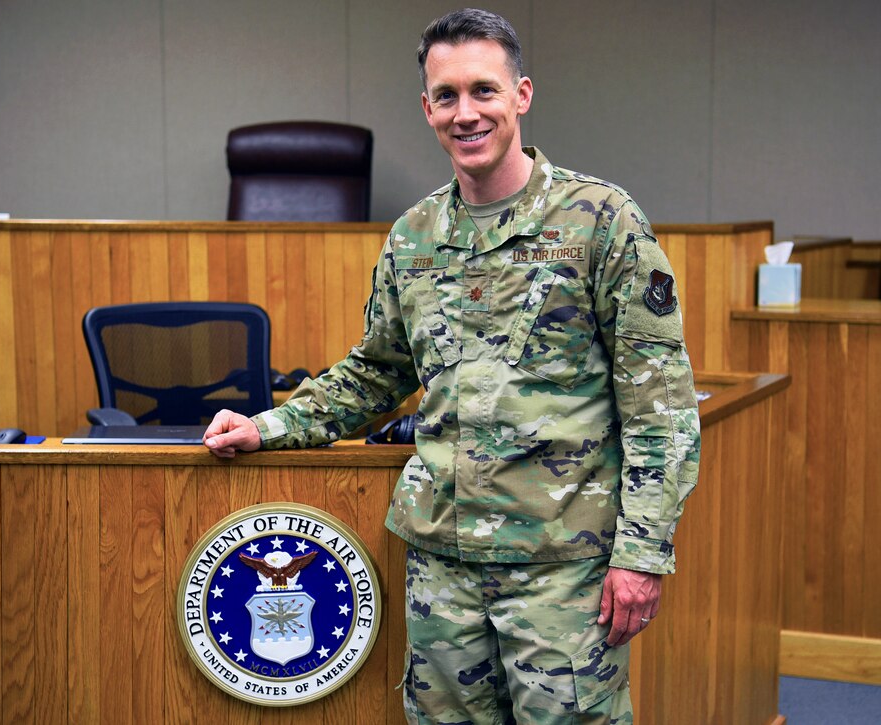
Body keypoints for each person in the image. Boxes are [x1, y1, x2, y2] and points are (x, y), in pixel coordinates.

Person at [204, 8, 700, 723]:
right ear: (427, 108)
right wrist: (270, 424)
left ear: (521, 94)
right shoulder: (413, 237)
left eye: (484, 91)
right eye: (447, 96)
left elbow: (661, 407)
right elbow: (375, 372)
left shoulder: (601, 221)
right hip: (443, 568)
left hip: (562, 570)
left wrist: (643, 554)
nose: (466, 113)